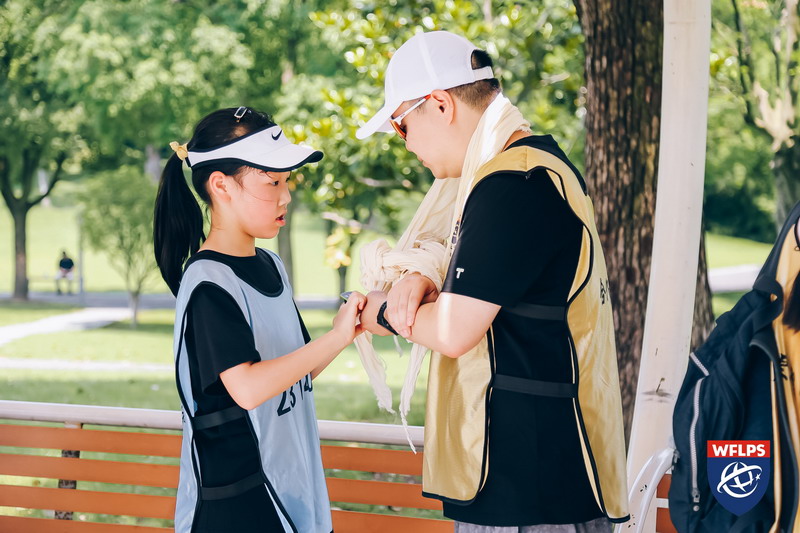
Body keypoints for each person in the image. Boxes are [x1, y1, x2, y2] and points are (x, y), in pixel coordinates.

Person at [354, 31, 629, 532]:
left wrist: (378, 311)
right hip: (542, 474)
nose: (406, 143)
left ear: (440, 104)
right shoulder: (539, 167)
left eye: (401, 125)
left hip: (526, 487)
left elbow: (454, 330)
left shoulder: (511, 184)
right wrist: (426, 278)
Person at [153, 106, 365, 533]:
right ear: (221, 186)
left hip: (290, 489)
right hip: (240, 504)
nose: (286, 196)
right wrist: (336, 337)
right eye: (272, 182)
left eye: (287, 182)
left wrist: (346, 329)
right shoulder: (209, 282)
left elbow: (295, 369)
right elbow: (248, 388)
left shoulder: (271, 266)